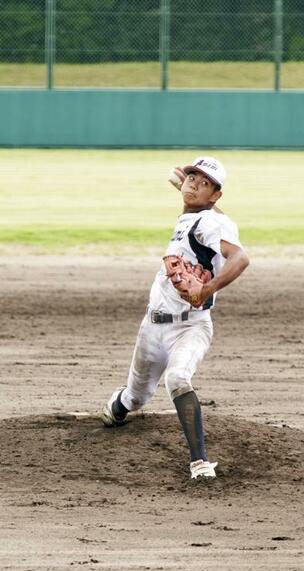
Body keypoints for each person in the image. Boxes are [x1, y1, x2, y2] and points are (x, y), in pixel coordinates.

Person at [101, 156, 250, 480]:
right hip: (153, 327)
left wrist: (208, 287)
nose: (195, 184)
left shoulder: (211, 223)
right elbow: (188, 188)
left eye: (205, 183)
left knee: (178, 378)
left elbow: (241, 257)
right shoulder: (195, 212)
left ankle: (200, 464)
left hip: (191, 326)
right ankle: (120, 406)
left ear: (216, 195)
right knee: (136, 397)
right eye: (192, 178)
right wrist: (184, 183)